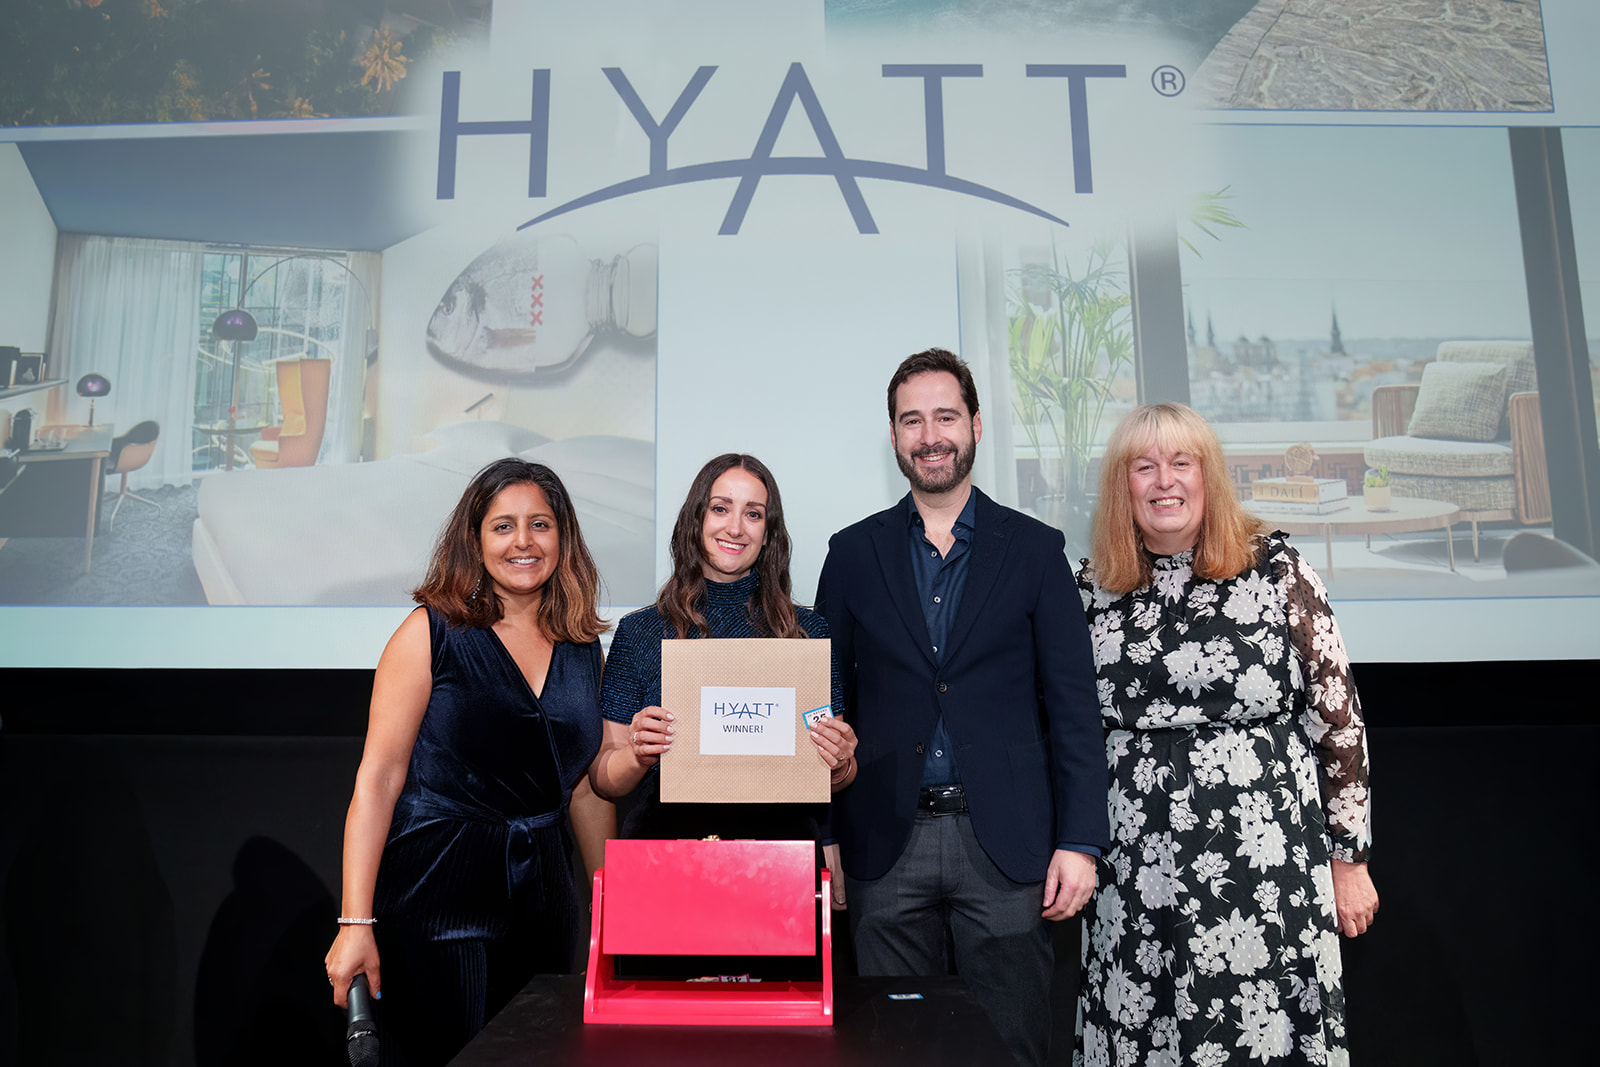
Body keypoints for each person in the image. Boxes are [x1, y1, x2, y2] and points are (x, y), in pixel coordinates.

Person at [815, 348, 1109, 1067]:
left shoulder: (1036, 550)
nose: (930, 435)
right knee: (892, 1052)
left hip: (1006, 845)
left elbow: (1074, 708)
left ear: (976, 425)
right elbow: (823, 707)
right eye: (912, 420)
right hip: (885, 843)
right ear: (893, 436)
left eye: (945, 416)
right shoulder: (850, 554)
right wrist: (826, 838)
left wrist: (1080, 841)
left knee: (1011, 1048)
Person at [1074, 403, 1377, 1067]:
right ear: (1121, 486)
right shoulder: (1091, 589)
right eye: (1144, 467)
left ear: (1208, 475)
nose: (1165, 481)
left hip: (1267, 865)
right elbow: (1068, 733)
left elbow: (1338, 716)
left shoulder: (1277, 568)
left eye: (1181, 462)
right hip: (1135, 872)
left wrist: (1349, 860)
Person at [324, 458, 611, 1067]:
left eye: (540, 524)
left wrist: (609, 906)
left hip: (546, 894)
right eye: (503, 526)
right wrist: (354, 922)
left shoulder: (585, 646)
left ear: (563, 537)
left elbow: (585, 788)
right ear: (474, 540)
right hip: (438, 889)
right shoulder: (429, 633)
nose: (523, 542)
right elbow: (378, 780)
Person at [590, 452, 857, 842]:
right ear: (696, 519)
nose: (735, 527)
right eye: (720, 508)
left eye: (753, 514)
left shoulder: (808, 634)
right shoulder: (639, 632)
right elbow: (604, 779)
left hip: (779, 855)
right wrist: (636, 754)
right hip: (666, 852)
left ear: (769, 532)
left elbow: (834, 774)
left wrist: (840, 763)